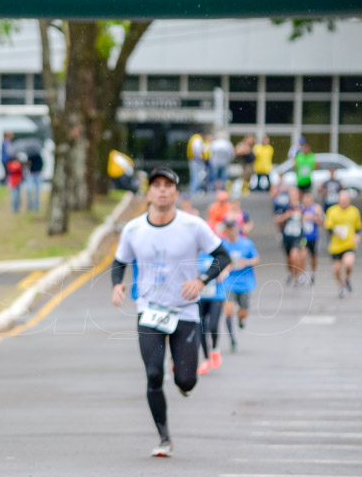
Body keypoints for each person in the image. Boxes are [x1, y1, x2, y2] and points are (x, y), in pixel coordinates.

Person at [111, 167, 230, 457]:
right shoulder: (134, 229)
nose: (162, 190)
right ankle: (164, 437)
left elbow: (222, 256)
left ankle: (182, 370)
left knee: (186, 381)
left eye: (168, 185)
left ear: (175, 193)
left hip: (185, 312)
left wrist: (201, 281)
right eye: (157, 185)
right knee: (153, 374)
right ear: (149, 192)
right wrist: (117, 285)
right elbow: (119, 262)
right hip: (149, 311)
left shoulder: (193, 225)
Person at [222, 220, 259, 353]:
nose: (231, 231)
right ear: (226, 230)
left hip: (245, 282)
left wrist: (247, 262)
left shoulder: (246, 243)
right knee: (228, 311)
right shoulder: (222, 244)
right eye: (229, 229)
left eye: (234, 229)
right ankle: (232, 339)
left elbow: (256, 258)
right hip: (228, 281)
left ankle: (241, 319)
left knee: (243, 312)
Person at [324, 190, 361, 299]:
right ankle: (342, 286)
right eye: (341, 200)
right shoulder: (332, 211)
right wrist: (336, 231)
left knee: (349, 263)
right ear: (338, 201)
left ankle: (347, 278)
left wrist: (357, 235)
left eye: (345, 200)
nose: (343, 202)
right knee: (336, 270)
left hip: (349, 244)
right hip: (335, 245)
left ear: (349, 200)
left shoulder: (354, 211)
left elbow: (358, 226)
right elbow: (328, 227)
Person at [196, 251, 226, 376]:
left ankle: (214, 348)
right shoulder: (196, 254)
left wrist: (224, 273)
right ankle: (206, 358)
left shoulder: (217, 252)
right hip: (200, 296)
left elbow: (228, 263)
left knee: (213, 326)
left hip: (216, 296)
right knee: (201, 327)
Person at [276, 187, 305, 286]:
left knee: (296, 256)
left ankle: (297, 277)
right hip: (287, 236)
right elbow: (277, 220)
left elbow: (308, 219)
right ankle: (291, 272)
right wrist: (286, 216)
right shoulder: (285, 207)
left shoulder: (302, 207)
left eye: (295, 194)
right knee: (289, 258)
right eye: (291, 194)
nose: (293, 196)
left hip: (299, 236)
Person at [300, 191, 324, 284]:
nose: (306, 201)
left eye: (308, 199)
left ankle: (313, 273)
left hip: (314, 237)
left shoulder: (316, 208)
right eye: (304, 199)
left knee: (313, 256)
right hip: (304, 237)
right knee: (302, 255)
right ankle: (303, 273)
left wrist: (312, 217)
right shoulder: (301, 208)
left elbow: (322, 222)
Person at [25, 148, 43, 212]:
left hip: (36, 174)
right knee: (30, 191)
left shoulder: (38, 156)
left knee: (36, 192)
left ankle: (36, 207)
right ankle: (30, 206)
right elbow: (27, 166)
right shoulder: (29, 156)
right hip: (31, 174)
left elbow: (41, 164)